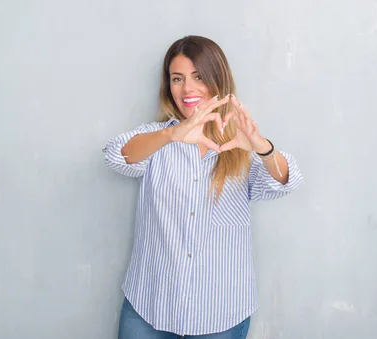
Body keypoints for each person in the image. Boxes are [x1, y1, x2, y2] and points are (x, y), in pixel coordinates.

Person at [103, 35, 303, 339]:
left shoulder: (242, 147)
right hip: (150, 308)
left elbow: (285, 180)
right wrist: (171, 136)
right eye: (177, 78)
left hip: (220, 316)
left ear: (218, 80)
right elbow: (117, 155)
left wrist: (261, 147)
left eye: (198, 77)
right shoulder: (156, 139)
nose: (188, 89)